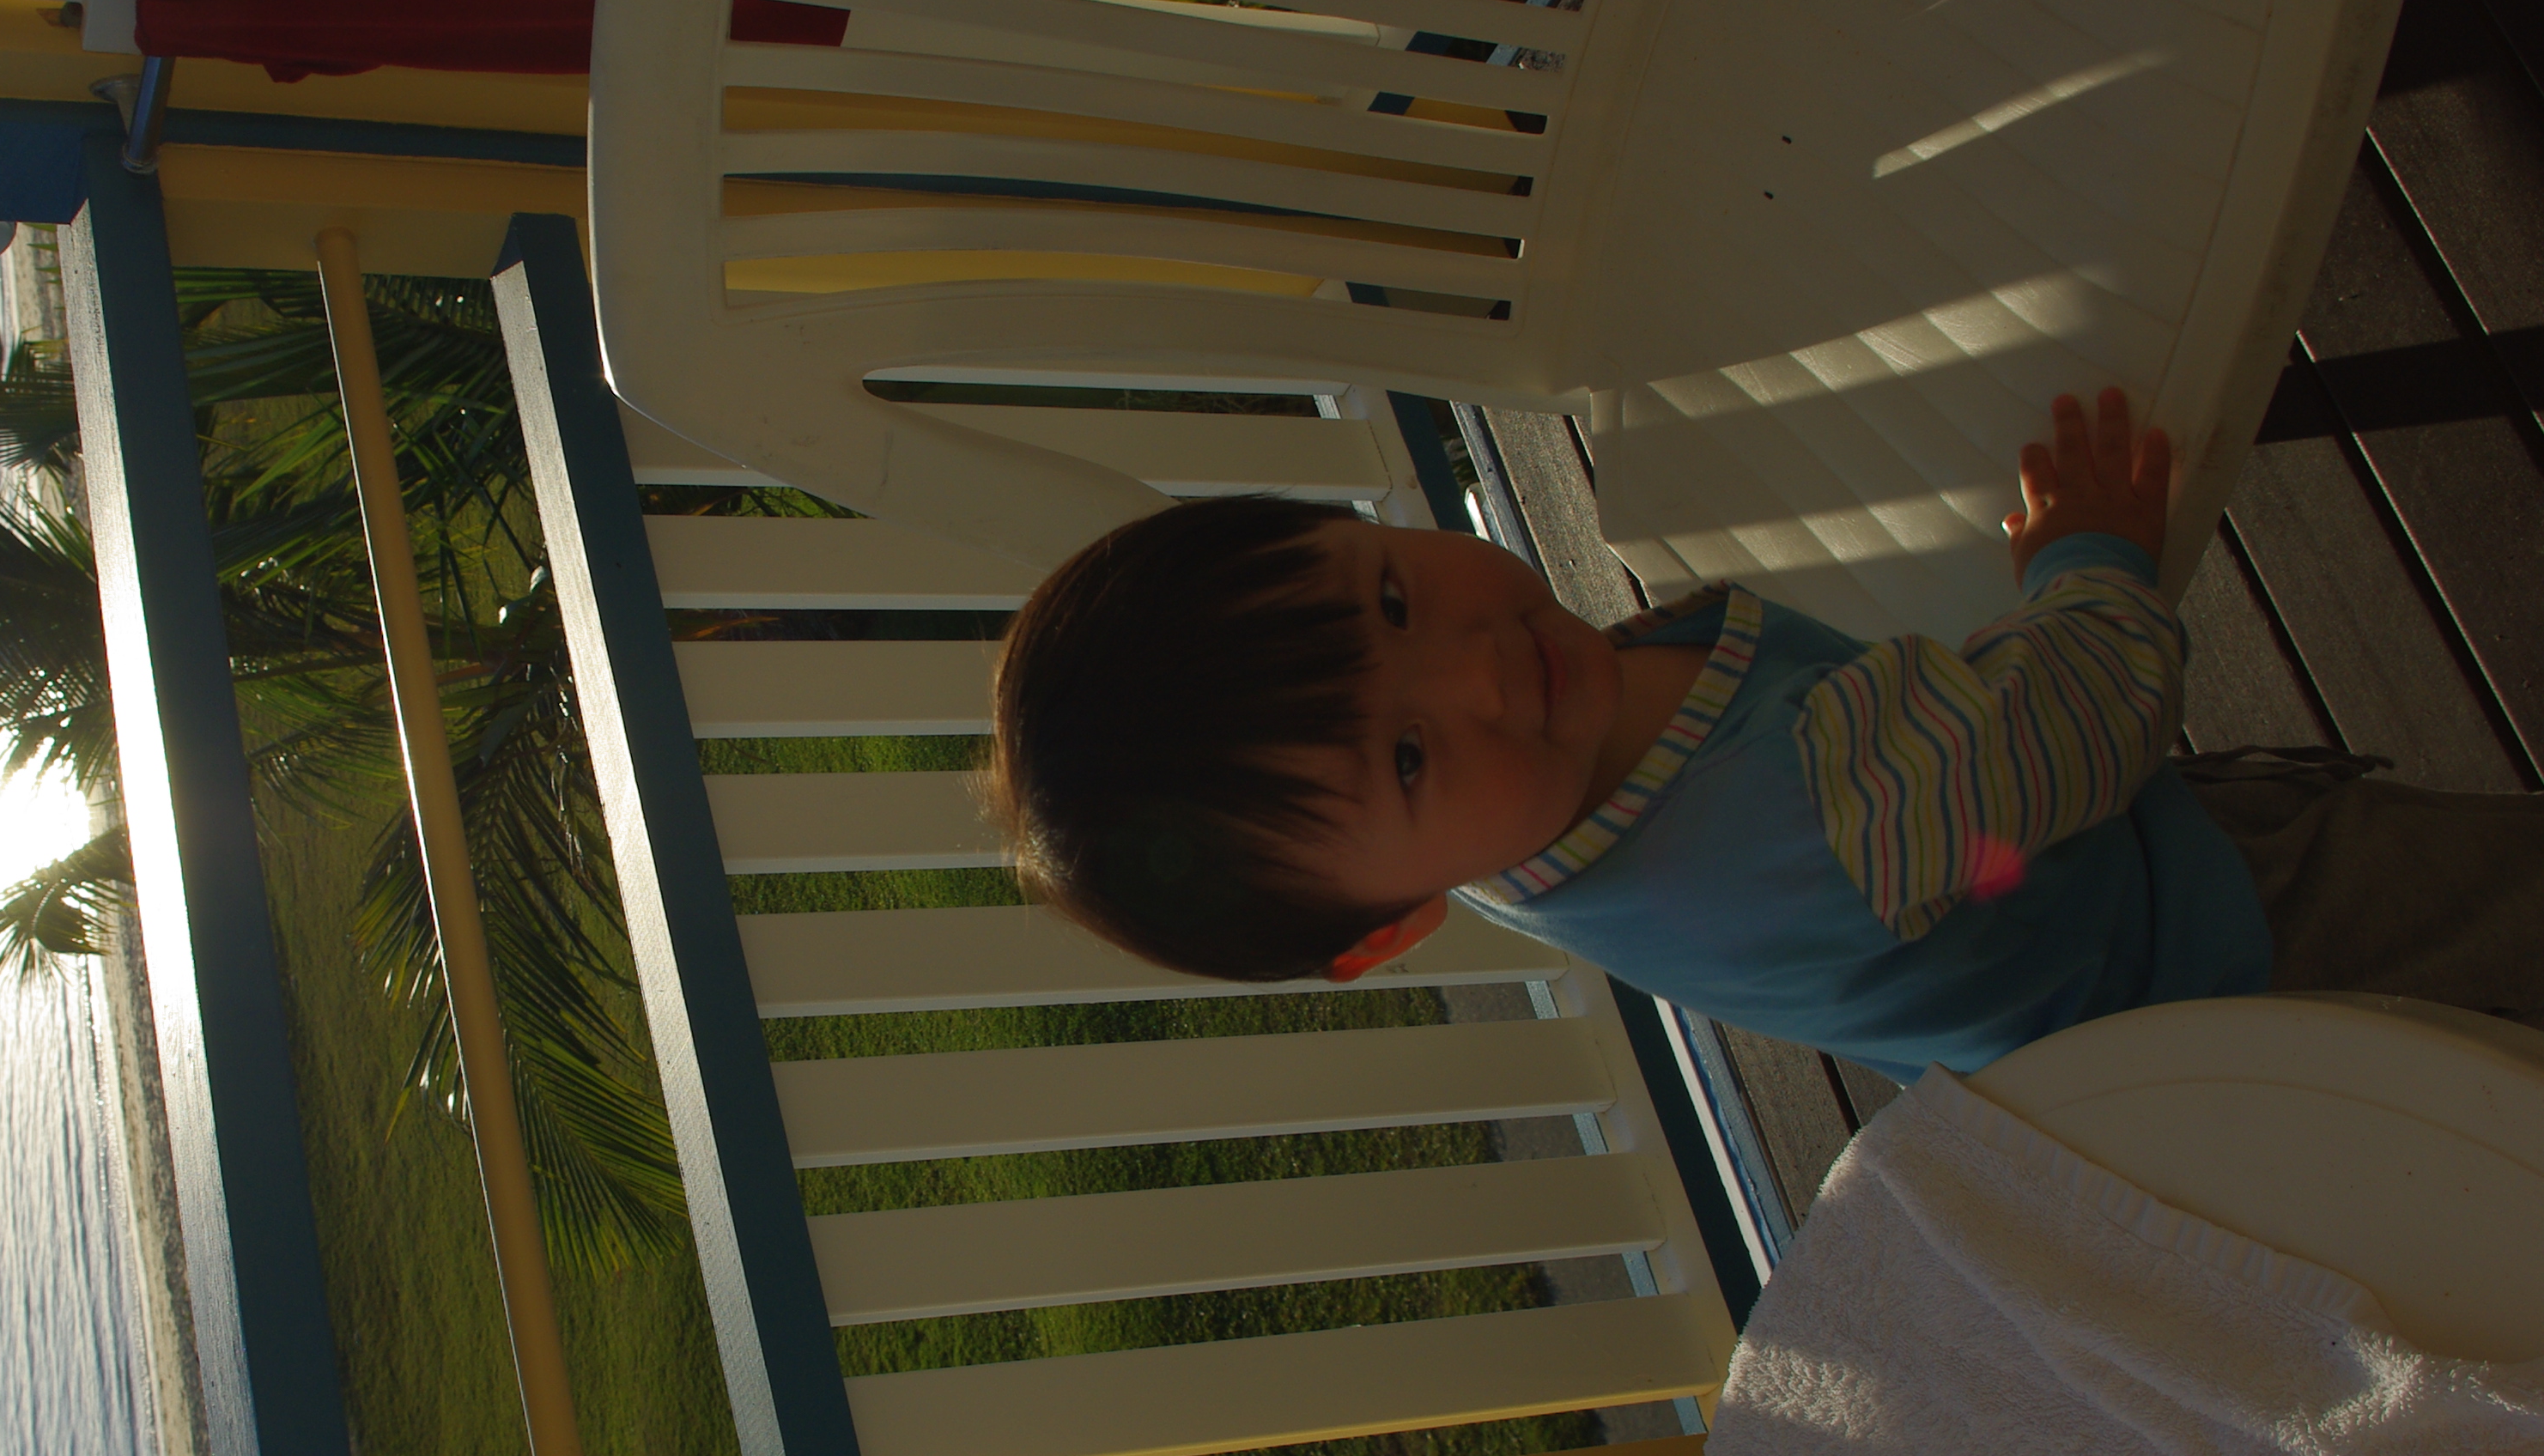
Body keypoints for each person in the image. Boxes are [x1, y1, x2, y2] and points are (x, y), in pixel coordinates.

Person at [987, 390, 2544, 1080]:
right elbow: (2089, 716)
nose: (1480, 671)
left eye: (1392, 599)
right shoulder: (1823, 813)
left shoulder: (1497, 838)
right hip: (2239, 963)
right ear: (1389, 929)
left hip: (2046, 910)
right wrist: (2088, 559)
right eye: (1407, 756)